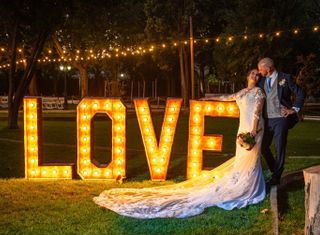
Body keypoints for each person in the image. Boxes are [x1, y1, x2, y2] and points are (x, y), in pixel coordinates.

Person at [93, 69, 266, 219]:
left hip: (253, 128)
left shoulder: (259, 93)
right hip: (242, 128)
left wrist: (252, 131)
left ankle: (249, 185)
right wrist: (206, 97)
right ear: (247, 76)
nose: (254, 76)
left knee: (251, 158)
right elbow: (226, 97)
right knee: (242, 158)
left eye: (257, 75)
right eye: (252, 73)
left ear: (258, 79)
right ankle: (240, 181)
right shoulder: (242, 92)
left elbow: (257, 111)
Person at [257, 57, 305, 186]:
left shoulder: (285, 78)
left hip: (280, 119)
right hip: (266, 119)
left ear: (269, 68)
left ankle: (276, 177)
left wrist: (294, 109)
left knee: (280, 147)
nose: (259, 71)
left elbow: (300, 93)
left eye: (261, 69)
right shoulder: (261, 80)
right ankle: (275, 170)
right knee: (263, 147)